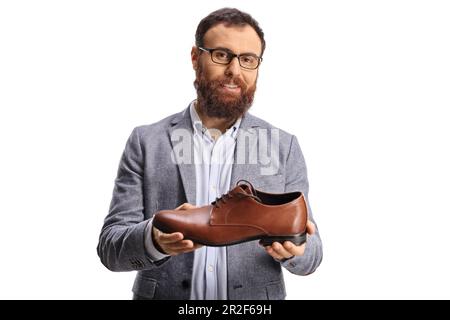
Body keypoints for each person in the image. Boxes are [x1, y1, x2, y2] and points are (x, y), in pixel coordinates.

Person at [97, 7, 323, 300]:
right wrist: (154, 240)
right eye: (221, 55)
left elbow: (313, 254)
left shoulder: (283, 146)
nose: (235, 70)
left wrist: (297, 251)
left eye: (248, 59)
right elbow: (110, 247)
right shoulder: (146, 141)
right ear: (195, 58)